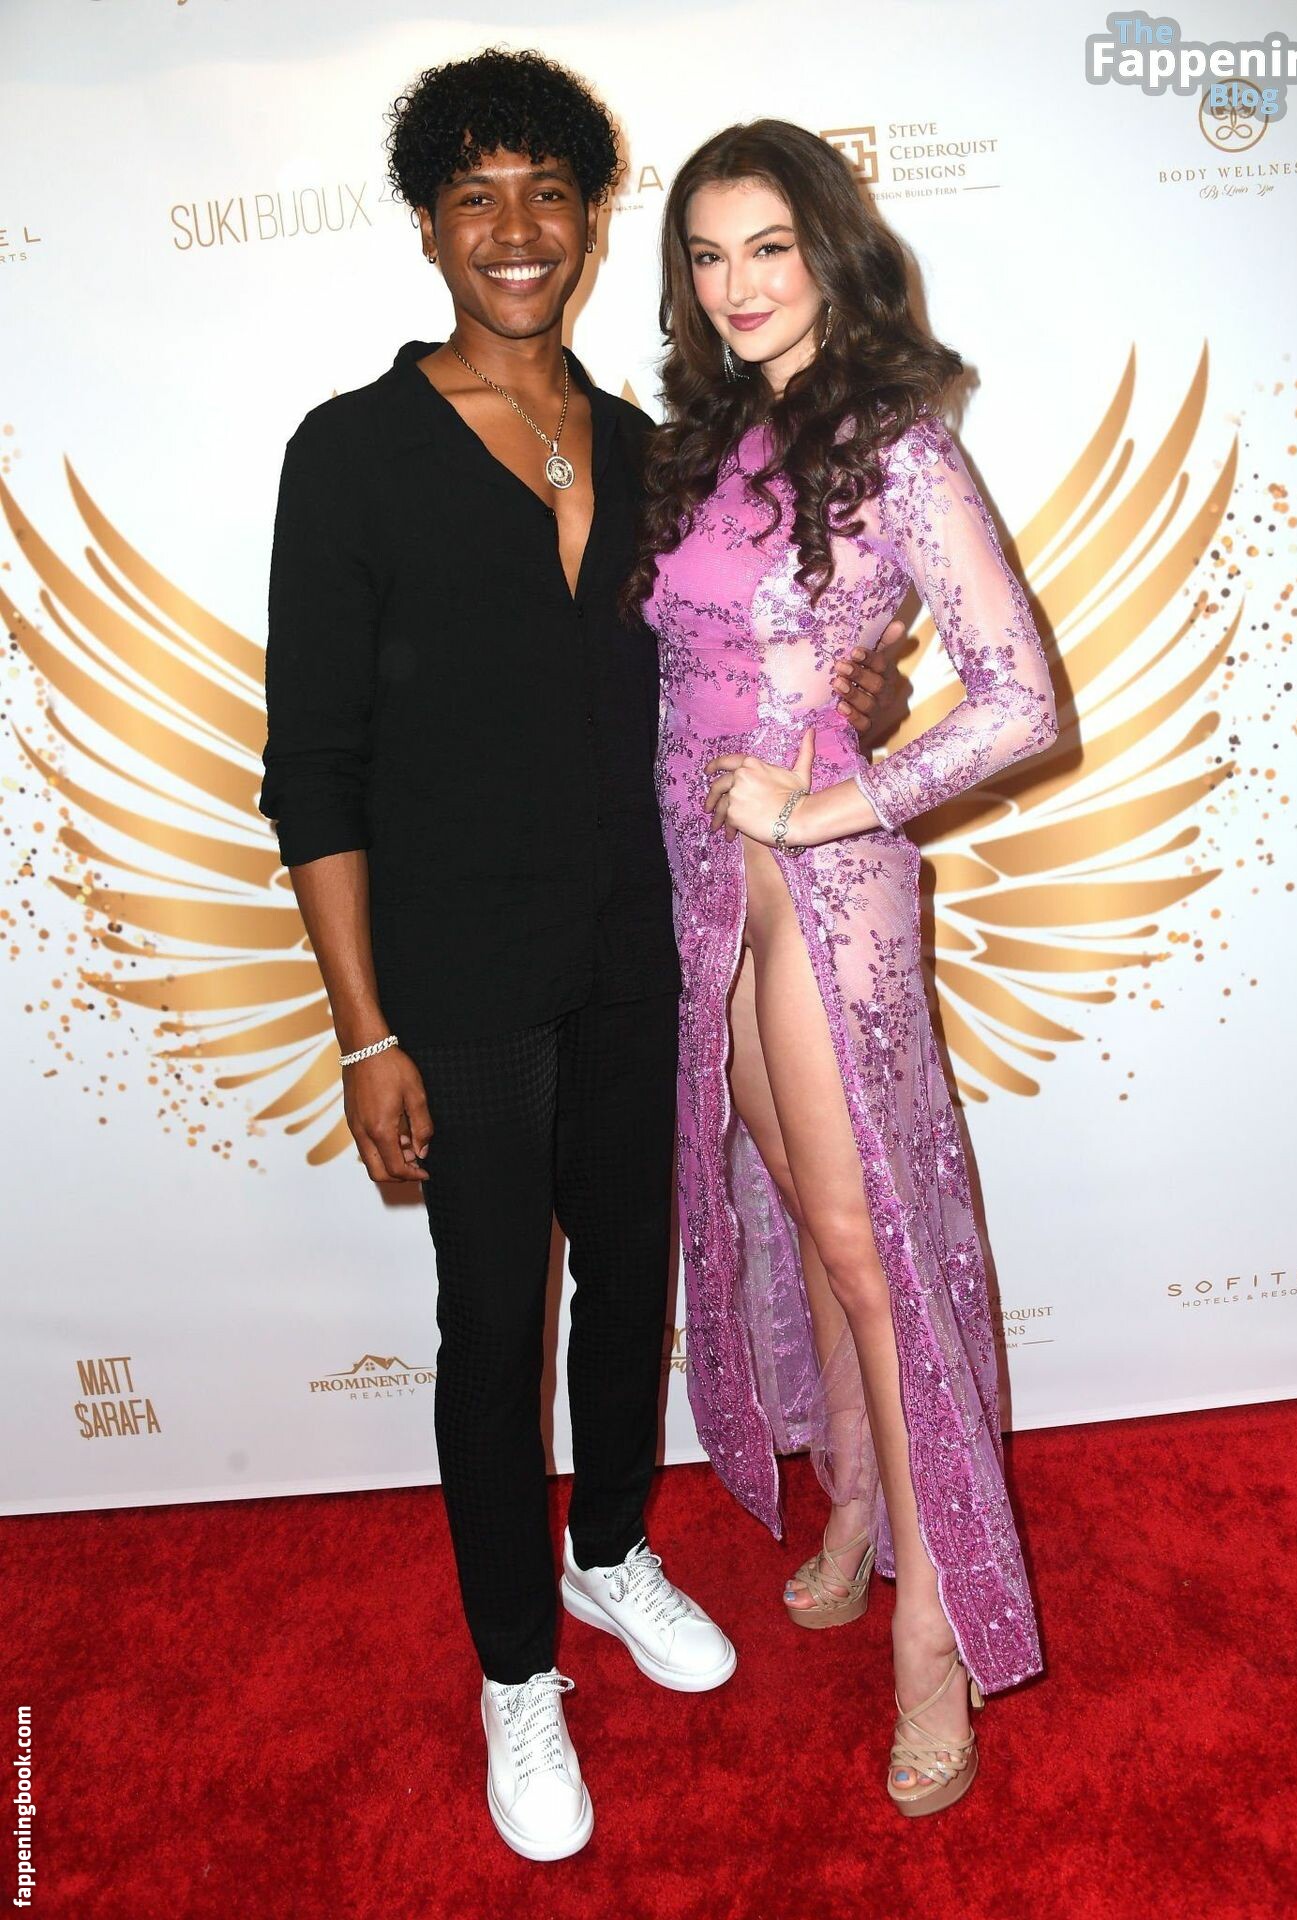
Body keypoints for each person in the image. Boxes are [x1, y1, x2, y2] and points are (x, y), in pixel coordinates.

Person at [258, 54, 894, 1861]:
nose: (516, 229)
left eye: (548, 190)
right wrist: (364, 1033)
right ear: (428, 227)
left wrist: (850, 691)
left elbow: (741, 653)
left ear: (593, 218)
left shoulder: (646, 447)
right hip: (456, 972)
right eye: (475, 196)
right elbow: (313, 768)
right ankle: (514, 1666)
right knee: (491, 1322)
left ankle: (608, 1551)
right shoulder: (351, 451)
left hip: (643, 936)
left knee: (628, 1277)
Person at [629, 117, 1056, 1817]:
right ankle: (860, 1496)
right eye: (706, 254)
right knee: (803, 1216)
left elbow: (1019, 701)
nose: (736, 285)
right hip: (699, 888)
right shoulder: (697, 441)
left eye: (767, 247)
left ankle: (933, 1628)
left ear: (828, 250)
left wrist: (825, 805)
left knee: (870, 1250)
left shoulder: (899, 448)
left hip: (824, 894)